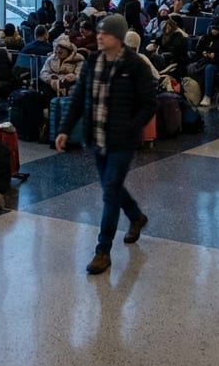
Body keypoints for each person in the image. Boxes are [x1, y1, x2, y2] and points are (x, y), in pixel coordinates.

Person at [54, 14, 156, 275]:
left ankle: (103, 251)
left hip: (122, 141)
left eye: (106, 33)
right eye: (99, 32)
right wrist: (65, 129)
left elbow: (148, 104)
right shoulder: (92, 62)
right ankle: (136, 216)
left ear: (119, 38)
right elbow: (78, 98)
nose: (99, 36)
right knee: (113, 187)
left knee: (110, 192)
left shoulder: (135, 66)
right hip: (97, 138)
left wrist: (132, 128)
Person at [189, 22, 219, 107]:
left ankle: (207, 95)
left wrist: (215, 55)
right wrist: (203, 53)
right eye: (213, 29)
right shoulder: (205, 38)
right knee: (192, 67)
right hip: (205, 60)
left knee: (209, 68)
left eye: (216, 29)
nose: (214, 31)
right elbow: (198, 50)